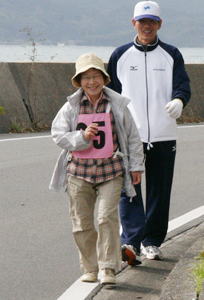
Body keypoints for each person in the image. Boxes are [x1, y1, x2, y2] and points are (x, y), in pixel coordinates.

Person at [106, 0, 192, 265]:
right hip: (130, 136)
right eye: (142, 22)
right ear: (134, 23)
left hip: (164, 134)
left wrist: (179, 101)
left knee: (159, 190)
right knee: (129, 188)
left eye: (152, 22)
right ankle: (130, 241)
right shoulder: (120, 55)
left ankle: (152, 242)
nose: (147, 26)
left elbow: (182, 86)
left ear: (159, 24)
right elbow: (111, 95)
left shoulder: (171, 54)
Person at [49, 53, 144, 285]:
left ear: (104, 78)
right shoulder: (71, 106)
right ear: (79, 81)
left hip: (110, 170)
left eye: (96, 76)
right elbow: (57, 134)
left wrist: (136, 166)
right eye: (86, 77)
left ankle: (108, 268)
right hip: (78, 172)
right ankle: (90, 268)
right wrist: (81, 137)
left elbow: (132, 137)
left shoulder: (117, 104)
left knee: (106, 219)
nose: (92, 82)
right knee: (81, 222)